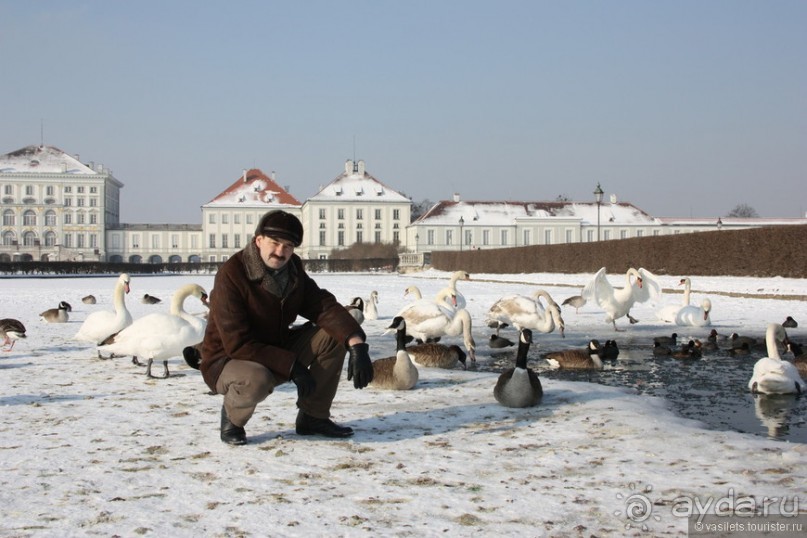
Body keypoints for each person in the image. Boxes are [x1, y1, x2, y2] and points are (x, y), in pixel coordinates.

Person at [200, 209, 374, 445]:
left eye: (288, 246)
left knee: (335, 335)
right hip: (229, 359)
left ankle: (313, 416)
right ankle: (233, 419)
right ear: (258, 240)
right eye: (274, 243)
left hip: (276, 346)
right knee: (257, 378)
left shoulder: (292, 270)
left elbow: (321, 305)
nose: (281, 252)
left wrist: (357, 344)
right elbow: (237, 343)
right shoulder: (231, 275)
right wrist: (293, 367)